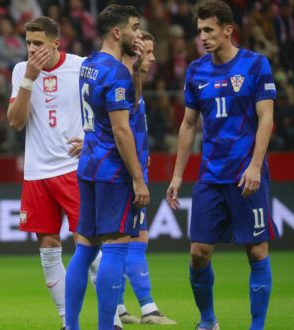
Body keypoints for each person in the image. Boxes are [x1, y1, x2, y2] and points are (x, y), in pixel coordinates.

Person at [166, 1, 278, 329]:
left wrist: (256, 166)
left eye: (209, 30)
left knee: (257, 251)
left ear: (228, 30)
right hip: (211, 176)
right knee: (198, 253)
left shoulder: (256, 65)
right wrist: (176, 175)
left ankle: (256, 326)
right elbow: (188, 125)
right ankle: (208, 321)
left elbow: (266, 118)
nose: (202, 36)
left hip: (246, 174)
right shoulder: (196, 71)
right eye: (199, 30)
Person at [64, 4, 150, 330]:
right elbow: (121, 128)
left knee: (85, 247)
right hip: (112, 171)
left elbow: (129, 104)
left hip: (87, 166)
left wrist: (136, 71)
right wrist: (139, 179)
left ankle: (71, 326)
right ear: (118, 32)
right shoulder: (115, 73)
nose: (138, 35)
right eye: (135, 28)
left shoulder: (89, 65)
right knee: (116, 247)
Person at [6, 16, 85, 329]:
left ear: (56, 42)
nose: (32, 49)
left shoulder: (81, 67)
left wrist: (91, 139)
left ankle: (114, 315)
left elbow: (107, 110)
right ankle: (68, 322)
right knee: (49, 247)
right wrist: (29, 78)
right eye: (28, 44)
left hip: (74, 168)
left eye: (38, 43)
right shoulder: (20, 71)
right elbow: (15, 121)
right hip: (37, 172)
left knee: (87, 242)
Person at [112, 30, 176, 326]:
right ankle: (148, 309)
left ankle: (119, 306)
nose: (151, 58)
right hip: (127, 174)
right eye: (147, 53)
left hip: (135, 168)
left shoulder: (129, 84)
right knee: (134, 239)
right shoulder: (119, 81)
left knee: (123, 241)